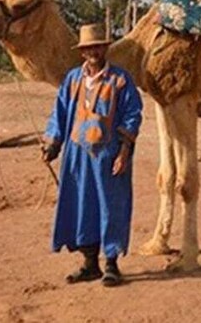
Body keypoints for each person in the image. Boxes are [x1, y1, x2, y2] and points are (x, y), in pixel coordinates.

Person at [41, 24, 143, 287]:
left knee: (111, 205)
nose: (93, 52)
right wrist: (53, 143)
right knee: (81, 204)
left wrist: (124, 151)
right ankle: (89, 264)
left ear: (105, 48)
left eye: (97, 46)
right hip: (77, 154)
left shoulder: (120, 80)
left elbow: (132, 115)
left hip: (108, 155)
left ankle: (111, 263)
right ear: (82, 51)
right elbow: (59, 113)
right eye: (88, 48)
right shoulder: (72, 80)